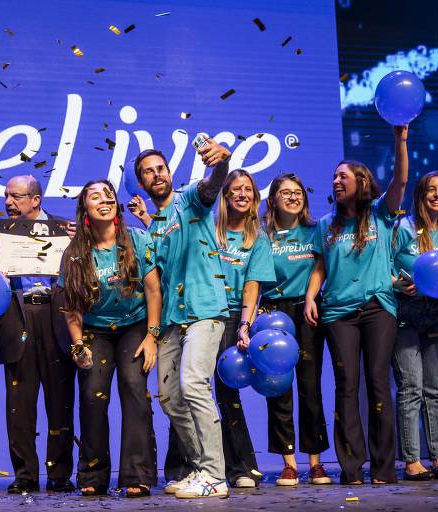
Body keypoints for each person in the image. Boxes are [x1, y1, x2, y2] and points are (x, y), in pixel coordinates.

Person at [304, 126, 409, 484]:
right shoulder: (324, 226)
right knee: (346, 385)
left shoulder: (381, 213)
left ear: (361, 182)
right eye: (333, 176)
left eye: (343, 176)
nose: (335, 181)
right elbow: (319, 266)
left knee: (378, 383)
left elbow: (400, 180)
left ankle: (383, 468)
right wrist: (309, 298)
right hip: (338, 313)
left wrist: (401, 140)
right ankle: (351, 468)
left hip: (378, 307)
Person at [128, 138, 232, 499]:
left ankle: (216, 476)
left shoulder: (190, 200)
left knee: (193, 385)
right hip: (173, 321)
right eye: (148, 172)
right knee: (170, 398)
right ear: (141, 184)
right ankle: (200, 468)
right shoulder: (152, 231)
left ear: (170, 173)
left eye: (161, 168)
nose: (156, 174)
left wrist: (221, 162)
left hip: (205, 310)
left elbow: (213, 183)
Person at [60, 180, 160, 497]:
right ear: (85, 209)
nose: (104, 199)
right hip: (95, 329)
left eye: (109, 194)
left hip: (134, 325)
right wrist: (79, 344)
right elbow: (71, 306)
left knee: (133, 388)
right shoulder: (76, 253)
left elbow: (154, 290)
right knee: (92, 395)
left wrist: (152, 336)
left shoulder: (138, 240)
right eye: (95, 195)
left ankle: (137, 474)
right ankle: (93, 476)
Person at [0, 175, 76, 494]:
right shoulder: (0, 236)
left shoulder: (65, 230)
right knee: (19, 404)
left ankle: (59, 474)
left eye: (15, 197)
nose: (8, 203)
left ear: (36, 200)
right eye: (6, 196)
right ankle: (25, 475)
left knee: (61, 401)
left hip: (57, 315)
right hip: (18, 316)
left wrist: (79, 240)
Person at [260, 173, 332, 486]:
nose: (293, 197)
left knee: (310, 386)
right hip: (273, 313)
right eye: (285, 193)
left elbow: (321, 266)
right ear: (273, 199)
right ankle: (288, 463)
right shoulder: (262, 235)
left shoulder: (315, 231)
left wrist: (310, 298)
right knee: (278, 389)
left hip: (308, 310)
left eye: (298, 192)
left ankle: (315, 463)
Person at [210, 169, 275, 488]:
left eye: (248, 189)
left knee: (226, 393)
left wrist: (244, 325)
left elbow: (252, 285)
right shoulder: (209, 228)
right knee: (190, 393)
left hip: (234, 315)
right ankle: (192, 467)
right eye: (235, 189)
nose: (242, 194)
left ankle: (241, 468)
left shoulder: (257, 238)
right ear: (224, 195)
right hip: (200, 314)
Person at [390, 171, 438, 481]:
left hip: (435, 313)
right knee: (411, 387)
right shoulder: (403, 228)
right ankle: (412, 462)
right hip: (405, 312)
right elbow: (382, 265)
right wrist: (398, 284)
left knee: (435, 389)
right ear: (420, 194)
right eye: (432, 189)